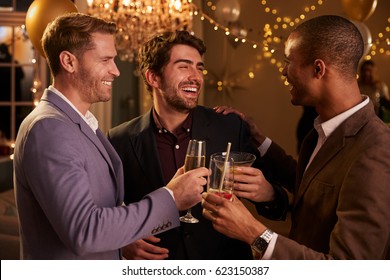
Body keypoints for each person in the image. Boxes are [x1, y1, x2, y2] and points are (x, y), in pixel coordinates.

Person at [13, 13, 208, 260]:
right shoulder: (49, 129)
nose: (115, 71)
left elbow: (99, 208)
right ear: (68, 62)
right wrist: (171, 197)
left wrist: (124, 238)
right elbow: (85, 230)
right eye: (105, 59)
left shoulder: (80, 124)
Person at [205, 15, 390, 259]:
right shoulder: (320, 131)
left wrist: (254, 233)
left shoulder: (376, 149)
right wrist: (261, 141)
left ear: (318, 69)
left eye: (288, 61)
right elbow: (315, 185)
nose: (283, 71)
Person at [107, 30, 287, 260]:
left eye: (199, 68)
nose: (196, 77)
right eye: (184, 66)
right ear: (153, 77)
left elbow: (280, 205)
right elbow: (106, 215)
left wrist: (268, 194)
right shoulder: (119, 139)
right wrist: (122, 244)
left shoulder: (231, 127)